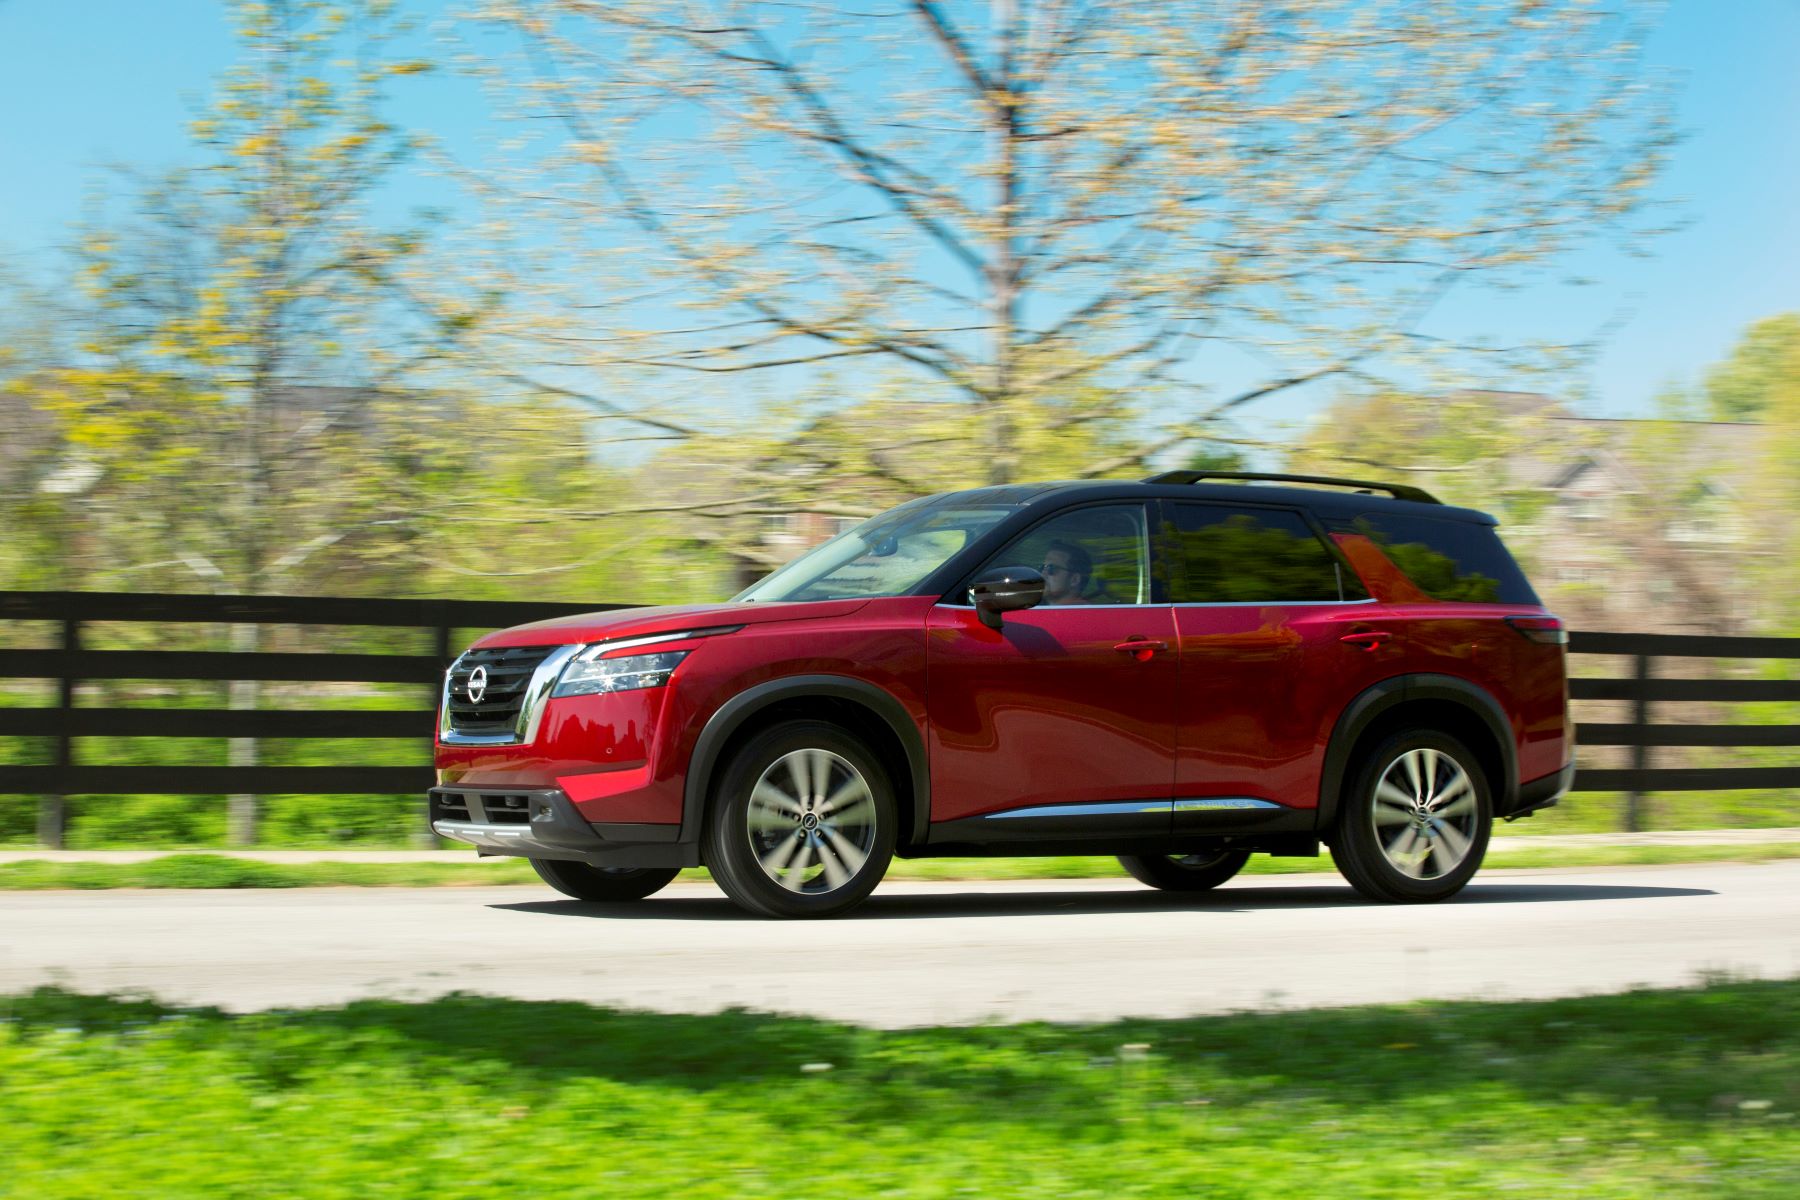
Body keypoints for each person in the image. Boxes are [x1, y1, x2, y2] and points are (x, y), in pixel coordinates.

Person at [1040, 539, 1092, 605]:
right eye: (1042, 567)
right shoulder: (1040, 607)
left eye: (1051, 568)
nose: (1043, 574)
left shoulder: (1083, 613)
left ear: (1074, 579)